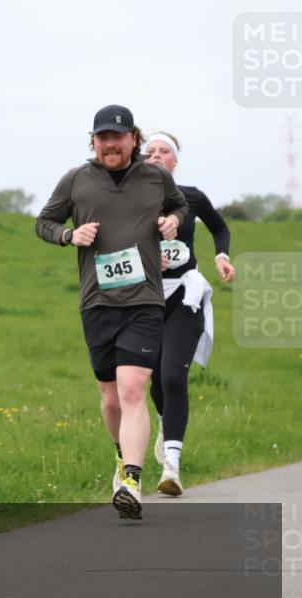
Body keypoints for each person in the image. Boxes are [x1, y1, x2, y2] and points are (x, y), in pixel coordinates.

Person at [35, 105, 187, 520]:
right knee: (110, 397)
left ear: (133, 139)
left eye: (117, 137)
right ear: (94, 141)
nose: (110, 144)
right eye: (102, 138)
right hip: (97, 302)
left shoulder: (156, 177)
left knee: (133, 389)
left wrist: (173, 221)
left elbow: (180, 206)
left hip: (144, 301)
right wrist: (70, 234)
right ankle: (122, 455)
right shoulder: (77, 180)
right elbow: (44, 222)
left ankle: (133, 482)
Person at [143, 132, 235, 496]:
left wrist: (222, 254)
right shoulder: (131, 202)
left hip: (185, 295)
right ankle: (166, 424)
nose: (156, 156)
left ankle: (172, 466)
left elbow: (220, 226)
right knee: (152, 378)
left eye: (164, 151)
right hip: (146, 297)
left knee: (173, 376)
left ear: (175, 161)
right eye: (149, 152)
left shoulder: (191, 197)